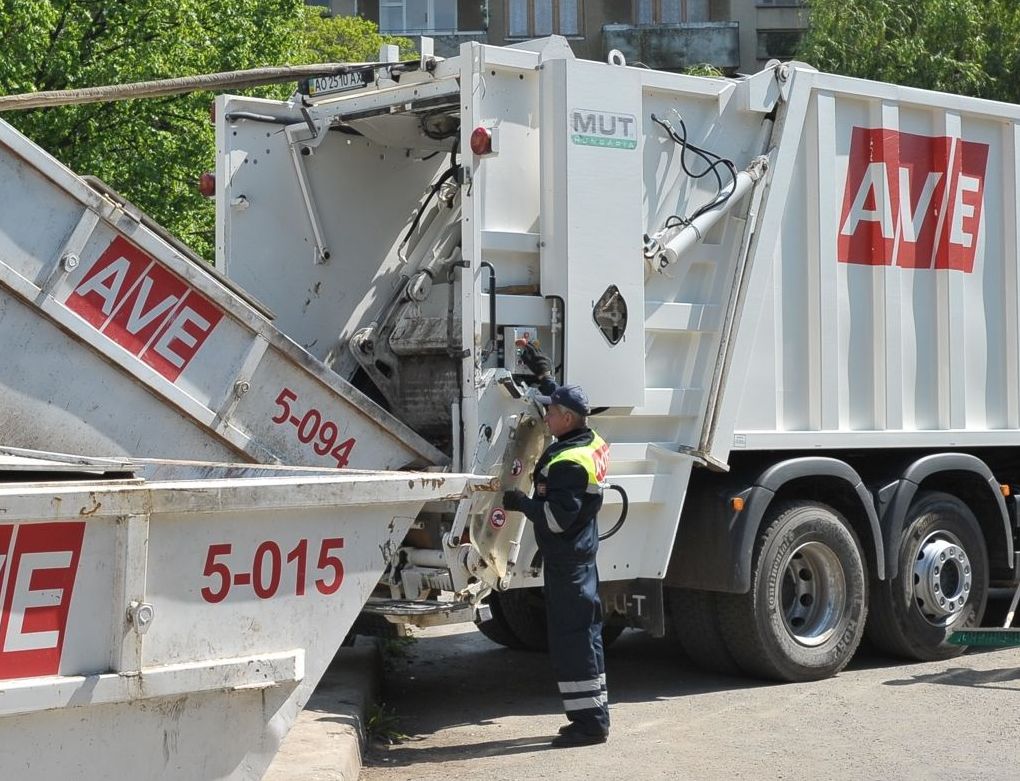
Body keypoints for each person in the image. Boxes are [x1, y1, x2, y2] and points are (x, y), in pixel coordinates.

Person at [502, 345, 611, 748]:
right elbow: (562, 402)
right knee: (586, 634)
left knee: (572, 638)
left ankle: (589, 725)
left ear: (566, 419)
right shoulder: (588, 438)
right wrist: (542, 373)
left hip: (568, 560)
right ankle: (593, 714)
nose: (544, 417)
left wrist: (523, 504)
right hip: (580, 557)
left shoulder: (569, 462)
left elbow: (556, 519)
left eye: (550, 412)